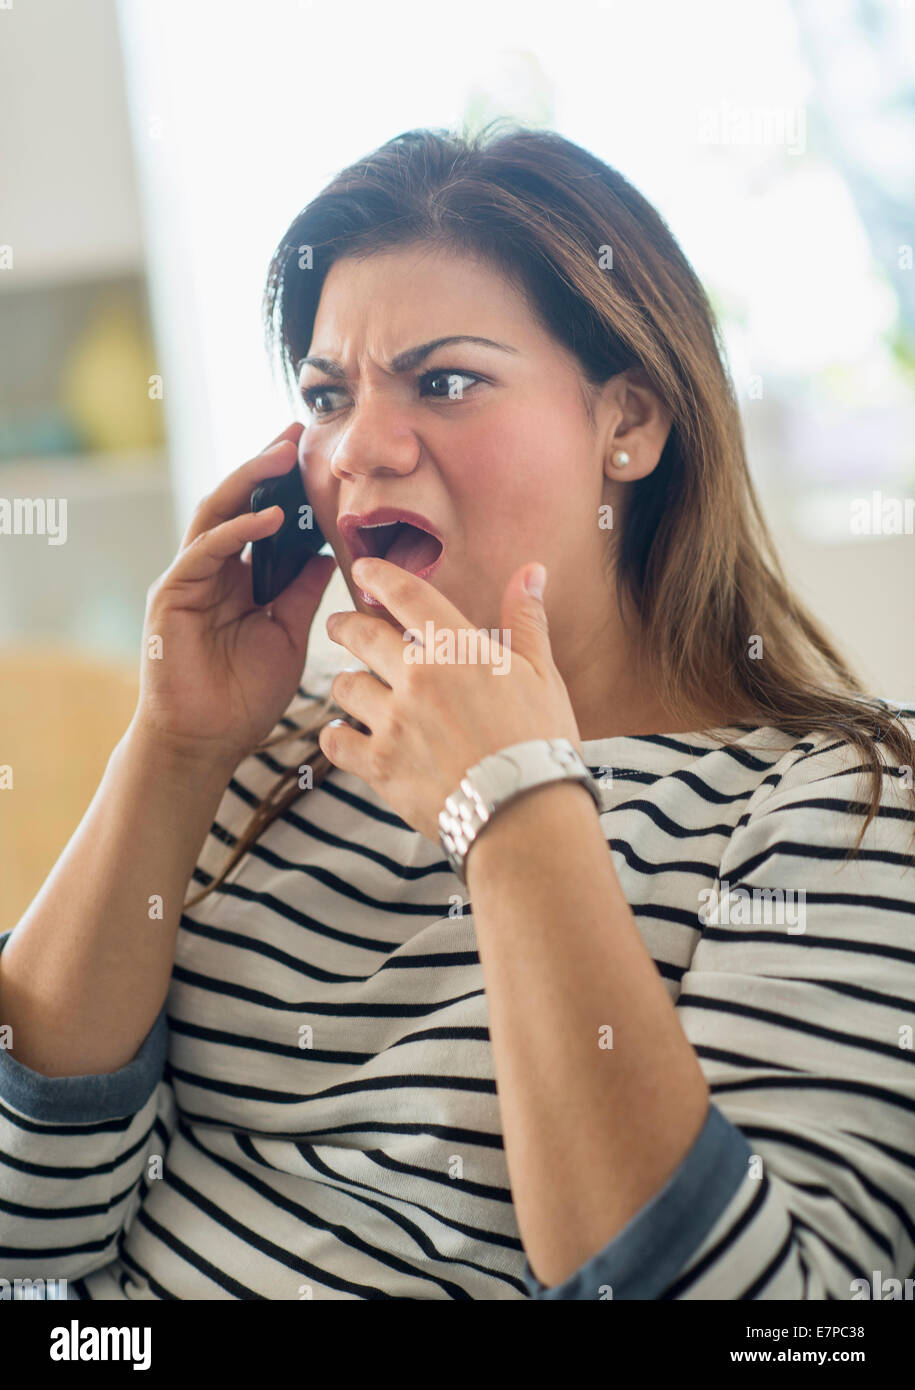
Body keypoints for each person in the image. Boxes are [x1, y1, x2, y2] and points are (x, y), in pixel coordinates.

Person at [1, 123, 913, 1302]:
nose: (362, 448)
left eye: (445, 381)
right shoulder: (268, 757)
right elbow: (25, 1236)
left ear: (627, 423)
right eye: (326, 395)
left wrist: (517, 806)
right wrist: (174, 748)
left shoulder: (844, 802)